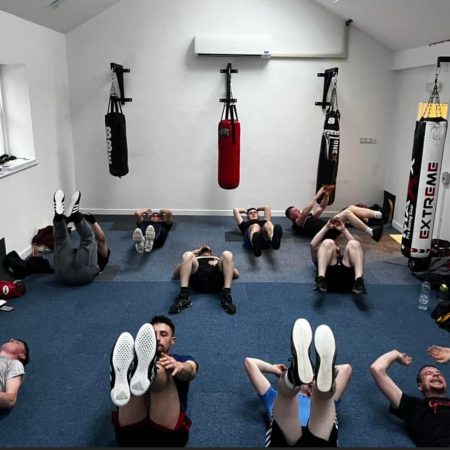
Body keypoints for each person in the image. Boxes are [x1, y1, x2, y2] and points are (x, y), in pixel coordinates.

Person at [110, 315, 198, 447]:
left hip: (166, 431)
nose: (157, 338)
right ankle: (133, 374)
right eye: (152, 335)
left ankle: (147, 371)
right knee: (136, 372)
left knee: (160, 370)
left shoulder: (181, 359)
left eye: (163, 334)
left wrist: (180, 367)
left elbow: (191, 370)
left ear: (172, 340)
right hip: (133, 426)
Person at [265, 318, 346, 447]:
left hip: (286, 434)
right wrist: (316, 379)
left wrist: (274, 369)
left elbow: (249, 363)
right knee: (324, 400)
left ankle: (293, 376)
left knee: (286, 398)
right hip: (321, 434)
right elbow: (346, 369)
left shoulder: (272, 397)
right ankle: (322, 383)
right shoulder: (328, 402)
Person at [370, 349, 450, 447]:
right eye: (428, 373)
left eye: (439, 374)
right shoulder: (413, 406)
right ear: (420, 386)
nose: (436, 374)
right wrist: (396, 354)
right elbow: (377, 368)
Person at [243, 356, 352, 427]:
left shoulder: (325, 402)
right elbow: (250, 363)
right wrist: (275, 370)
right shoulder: (274, 398)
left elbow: (345, 369)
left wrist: (319, 375)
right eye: (298, 373)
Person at [285, 186, 387, 242]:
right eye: (294, 210)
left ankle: (380, 214)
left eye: (296, 208)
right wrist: (318, 195)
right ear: (291, 216)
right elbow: (304, 212)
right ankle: (372, 233)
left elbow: (322, 207)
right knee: (347, 213)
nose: (297, 209)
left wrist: (326, 195)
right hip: (326, 233)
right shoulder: (297, 224)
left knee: (350, 208)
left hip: (331, 227)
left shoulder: (308, 217)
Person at [52, 189, 108, 285]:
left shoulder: (104, 257)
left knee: (87, 238)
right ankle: (67, 216)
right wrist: (93, 222)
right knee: (63, 240)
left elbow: (102, 239)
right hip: (72, 276)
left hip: (65, 274)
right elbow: (101, 240)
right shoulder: (102, 258)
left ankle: (62, 217)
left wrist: (93, 221)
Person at [170, 244, 239, 315]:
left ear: (211, 252)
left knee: (227, 254)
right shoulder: (194, 258)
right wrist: (192, 253)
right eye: (202, 248)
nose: (204, 246)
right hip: (197, 279)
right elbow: (176, 274)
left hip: (216, 280)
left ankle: (226, 297)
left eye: (207, 248)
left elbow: (236, 274)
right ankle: (183, 297)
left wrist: (219, 262)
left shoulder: (218, 258)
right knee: (187, 254)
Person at [310, 216, 366, 294]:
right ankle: (321, 279)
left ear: (338, 248)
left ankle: (359, 281)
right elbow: (313, 245)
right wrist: (326, 227)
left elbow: (356, 246)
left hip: (349, 283)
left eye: (335, 245)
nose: (333, 245)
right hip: (327, 282)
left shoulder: (347, 258)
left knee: (354, 243)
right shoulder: (322, 259)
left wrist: (344, 230)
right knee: (328, 241)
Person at [0, 338, 30, 409]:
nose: (11, 339)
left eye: (16, 342)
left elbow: (10, 400)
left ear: (22, 355)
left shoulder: (15, 364)